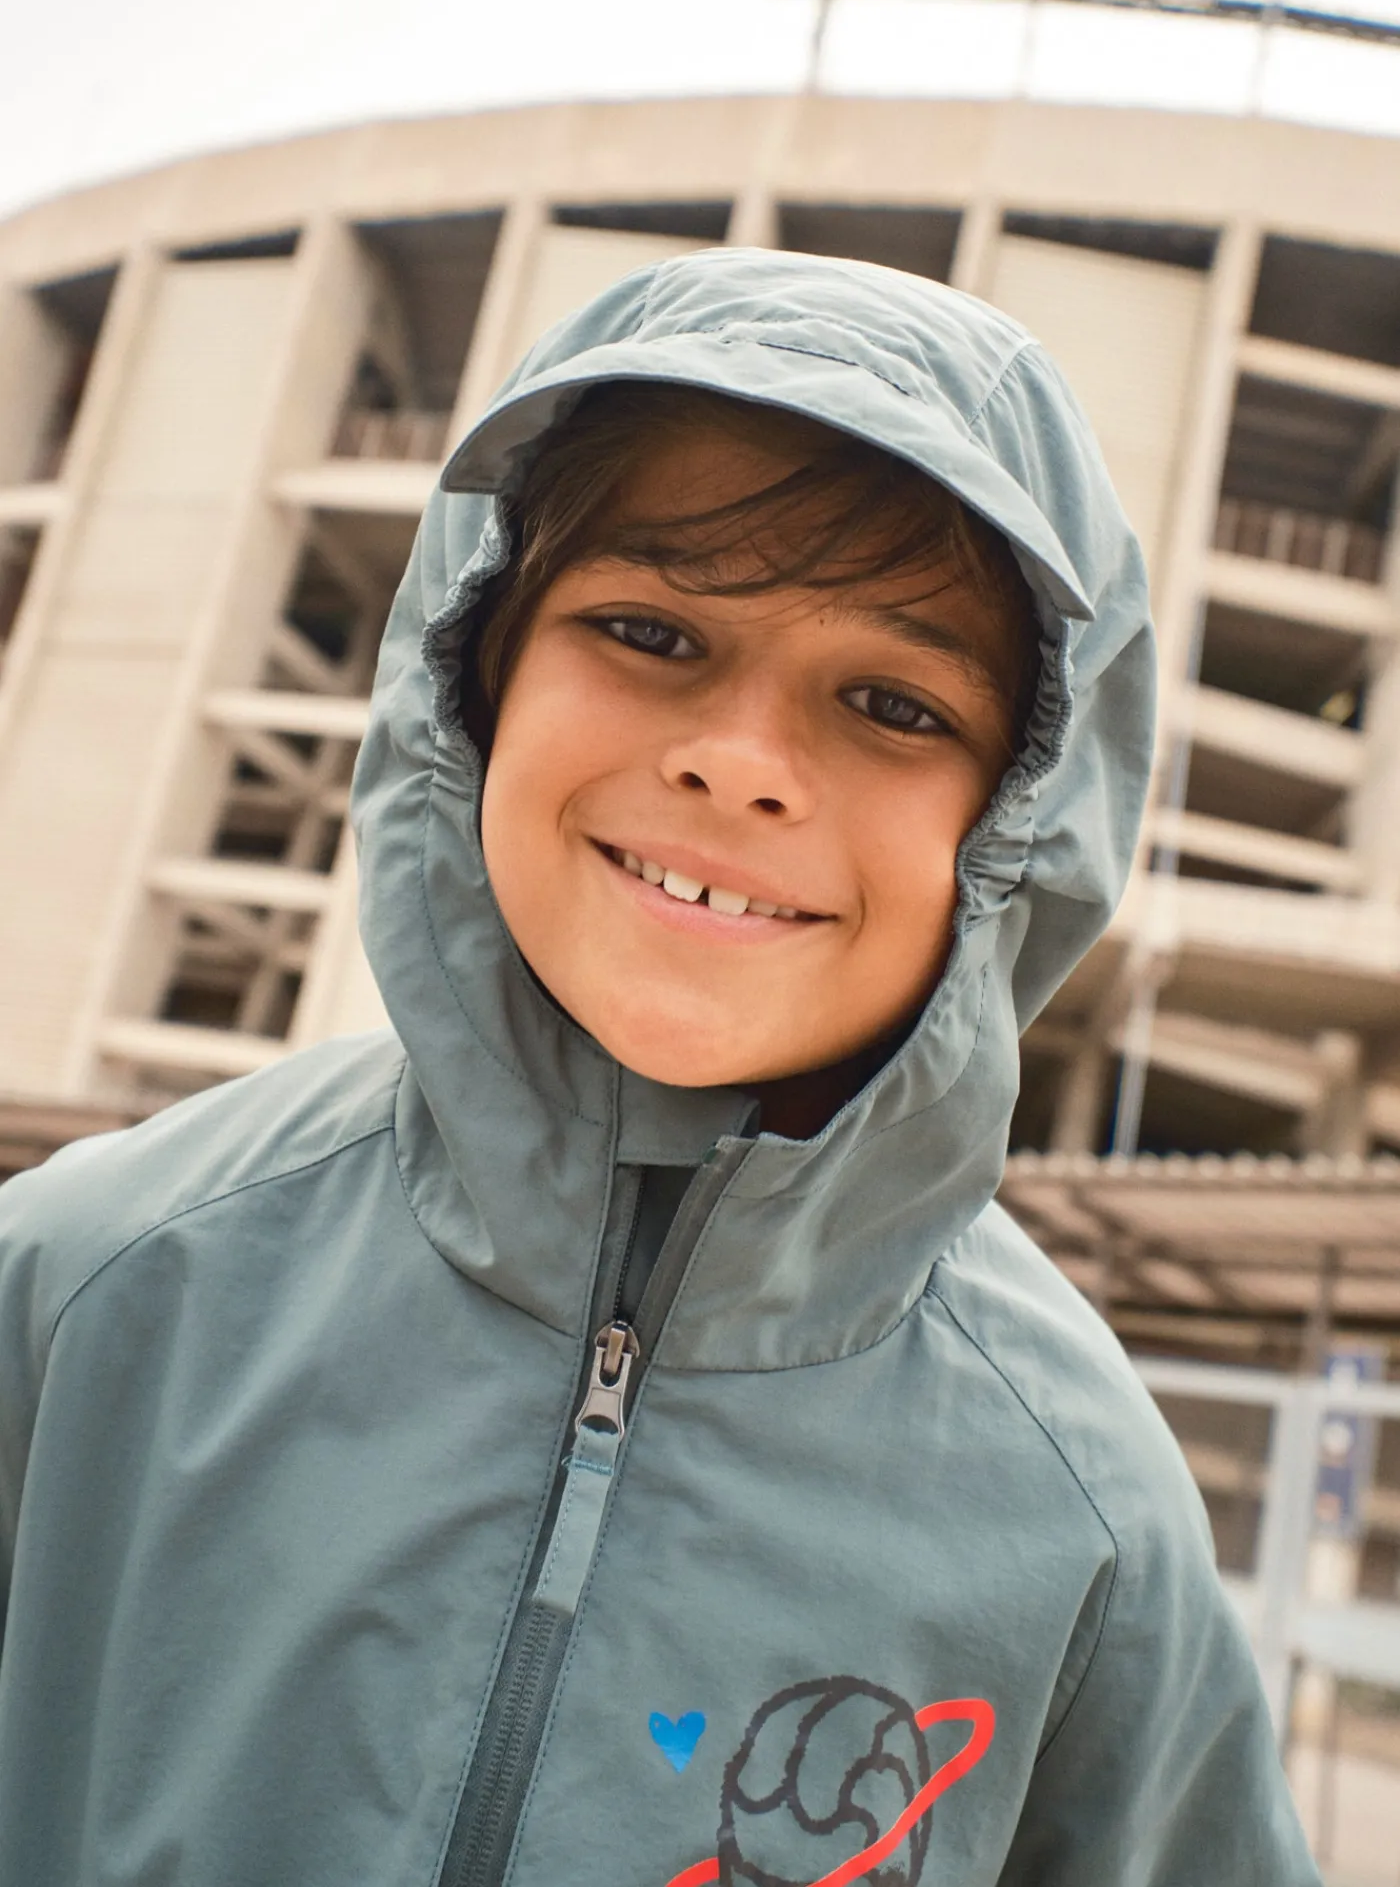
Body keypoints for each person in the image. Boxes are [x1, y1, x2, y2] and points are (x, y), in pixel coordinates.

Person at [0, 248, 1318, 1886]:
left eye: (895, 703)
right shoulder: (88, 1286)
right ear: (471, 677)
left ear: (1019, 827)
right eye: (649, 629)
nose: (741, 764)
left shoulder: (1087, 1513)